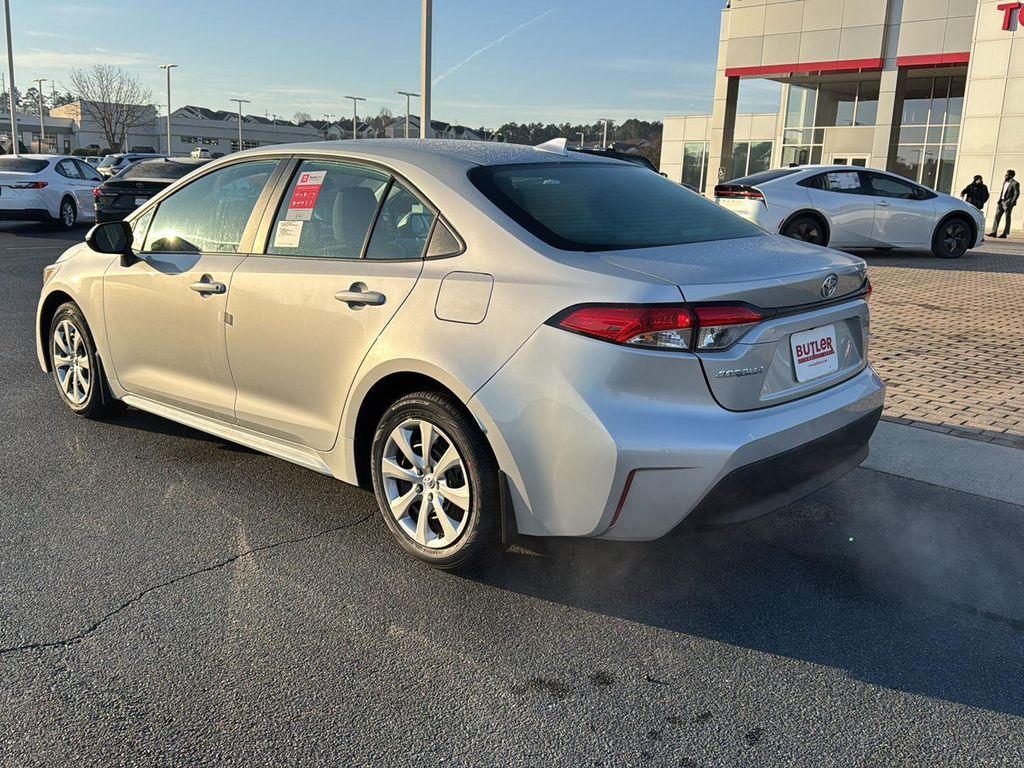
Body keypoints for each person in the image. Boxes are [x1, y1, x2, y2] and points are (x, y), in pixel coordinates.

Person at [989, 169, 1020, 239]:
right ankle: (994, 232)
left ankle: (1005, 233)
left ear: (1011, 176)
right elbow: (1003, 192)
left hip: (1008, 203)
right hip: (1001, 202)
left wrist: (1011, 202)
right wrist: (999, 200)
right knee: (997, 216)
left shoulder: (1015, 183)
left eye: (1007, 175)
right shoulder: (1005, 182)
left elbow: (1016, 194)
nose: (1005, 176)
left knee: (1007, 218)